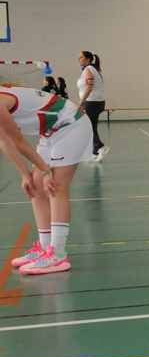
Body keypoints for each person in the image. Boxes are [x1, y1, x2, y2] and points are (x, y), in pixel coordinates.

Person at [1, 80, 94, 275]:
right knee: (34, 186)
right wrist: (25, 174)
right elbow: (4, 141)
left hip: (71, 125)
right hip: (50, 132)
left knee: (55, 186)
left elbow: (18, 141)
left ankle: (58, 255)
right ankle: (45, 249)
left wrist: (45, 171)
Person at [77, 51, 107, 160]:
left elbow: (89, 87)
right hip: (96, 102)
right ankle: (95, 152)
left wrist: (81, 102)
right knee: (91, 126)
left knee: (89, 127)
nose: (79, 59)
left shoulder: (88, 69)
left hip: (92, 102)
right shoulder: (93, 69)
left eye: (81, 57)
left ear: (88, 59)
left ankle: (99, 146)